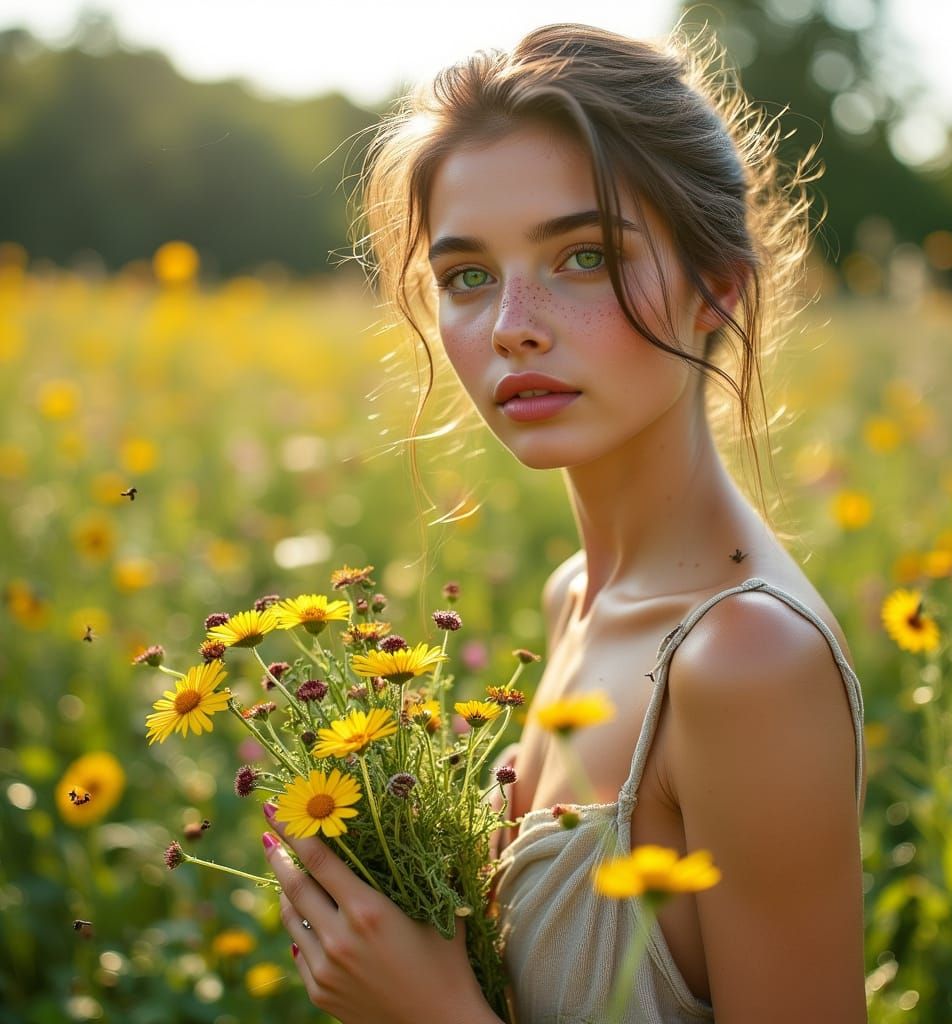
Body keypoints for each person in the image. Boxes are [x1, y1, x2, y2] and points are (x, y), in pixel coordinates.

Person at [260, 21, 868, 1024]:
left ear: (717, 284)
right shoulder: (574, 598)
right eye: (466, 276)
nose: (511, 324)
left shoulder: (743, 662)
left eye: (582, 256)